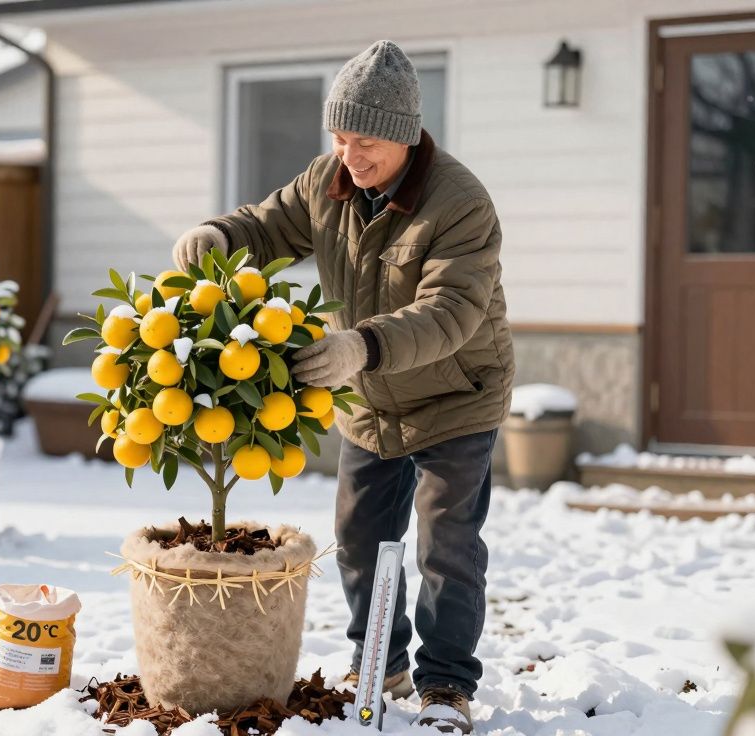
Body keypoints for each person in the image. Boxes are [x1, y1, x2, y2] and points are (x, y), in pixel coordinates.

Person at [171, 40, 514, 734]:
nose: (351, 156)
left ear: (407, 135)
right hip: (368, 396)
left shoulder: (460, 203)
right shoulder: (327, 183)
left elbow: (451, 312)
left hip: (455, 394)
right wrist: (214, 235)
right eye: (341, 136)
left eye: (367, 142)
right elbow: (265, 227)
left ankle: (445, 686)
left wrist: (360, 345)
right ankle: (377, 660)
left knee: (445, 545)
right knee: (358, 538)